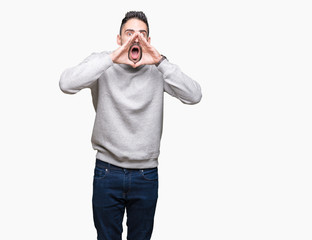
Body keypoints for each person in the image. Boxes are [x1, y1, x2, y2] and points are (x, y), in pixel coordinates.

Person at [59, 11, 202, 240]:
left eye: (142, 35)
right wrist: (111, 58)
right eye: (129, 34)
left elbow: (194, 95)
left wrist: (161, 62)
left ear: (148, 41)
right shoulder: (102, 63)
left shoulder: (158, 69)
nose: (136, 39)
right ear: (118, 39)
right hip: (107, 172)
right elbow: (66, 83)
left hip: (146, 175)